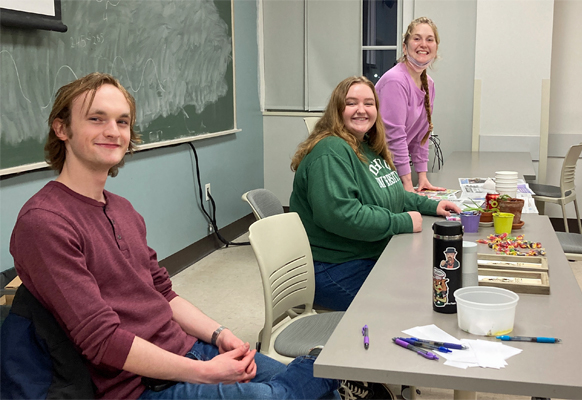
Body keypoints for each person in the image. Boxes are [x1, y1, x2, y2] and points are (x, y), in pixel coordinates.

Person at [9, 72, 340, 400]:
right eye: (96, 119)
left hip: (188, 349)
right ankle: (315, 365)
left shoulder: (122, 209)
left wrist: (219, 333)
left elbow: (163, 294)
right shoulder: (45, 222)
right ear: (61, 128)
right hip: (138, 386)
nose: (113, 131)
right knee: (295, 386)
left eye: (122, 122)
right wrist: (205, 373)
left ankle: (315, 371)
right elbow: (102, 340)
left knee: (316, 390)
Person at [289, 76, 460, 312]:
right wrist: (401, 221)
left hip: (365, 256)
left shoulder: (366, 146)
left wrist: (432, 205)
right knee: (409, 308)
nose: (362, 110)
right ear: (337, 110)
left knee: (430, 285)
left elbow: (390, 193)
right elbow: (342, 215)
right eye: (351, 103)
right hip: (333, 268)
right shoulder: (331, 151)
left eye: (369, 103)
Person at [375, 16, 443, 193]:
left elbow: (422, 136)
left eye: (430, 39)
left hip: (393, 169)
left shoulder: (429, 83)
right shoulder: (395, 81)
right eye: (416, 38)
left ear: (435, 49)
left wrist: (422, 177)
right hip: (376, 169)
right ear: (405, 47)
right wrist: (407, 184)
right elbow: (394, 137)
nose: (423, 44)